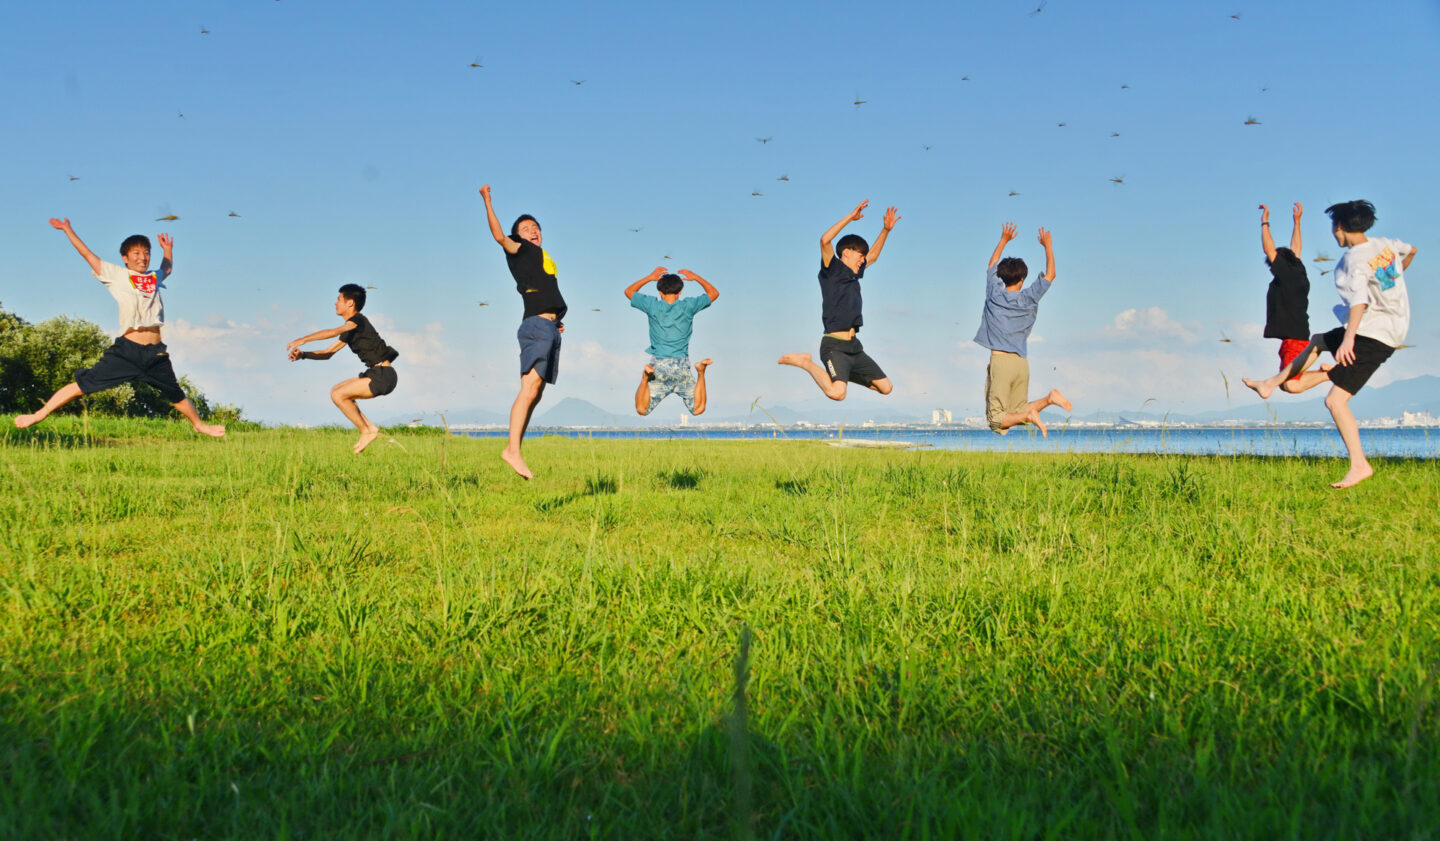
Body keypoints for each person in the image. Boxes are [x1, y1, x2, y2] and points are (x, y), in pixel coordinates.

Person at [1243, 200, 1416, 488]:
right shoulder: (1384, 245)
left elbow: (1358, 302)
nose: (1333, 233)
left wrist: (1348, 339)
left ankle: (1359, 465)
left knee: (1335, 401)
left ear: (1340, 227)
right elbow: (1411, 251)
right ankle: (1270, 383)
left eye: (1333, 227)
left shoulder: (1352, 261)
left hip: (1375, 333)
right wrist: (1389, 287)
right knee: (1318, 341)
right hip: (1385, 324)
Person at [14, 218, 225, 437]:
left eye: (146, 253)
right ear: (125, 258)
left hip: (155, 354)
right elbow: (87, 255)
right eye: (136, 253)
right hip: (127, 352)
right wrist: (68, 229)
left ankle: (199, 425)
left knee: (176, 394)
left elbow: (167, 268)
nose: (142, 257)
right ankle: (38, 414)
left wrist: (167, 250)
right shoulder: (116, 275)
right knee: (84, 385)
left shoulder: (153, 277)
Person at [479, 183, 566, 479]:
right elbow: (499, 236)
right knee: (529, 388)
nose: (532, 231)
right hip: (537, 326)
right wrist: (487, 200)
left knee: (535, 392)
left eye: (535, 227)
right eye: (526, 228)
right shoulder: (520, 249)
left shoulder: (543, 258)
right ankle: (512, 450)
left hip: (549, 327)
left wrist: (555, 319)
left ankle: (515, 448)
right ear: (519, 236)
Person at [778, 199, 899, 400]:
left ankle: (841, 374)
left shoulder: (854, 275)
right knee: (837, 393)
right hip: (834, 346)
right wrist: (851, 217)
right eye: (860, 255)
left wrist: (886, 230)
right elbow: (825, 240)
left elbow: (874, 257)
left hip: (854, 347)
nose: (863, 260)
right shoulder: (831, 269)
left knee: (886, 387)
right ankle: (806, 363)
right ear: (846, 252)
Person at [972, 223, 1072, 437]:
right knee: (1016, 413)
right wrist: (1048, 245)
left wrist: (1004, 239)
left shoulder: (994, 294)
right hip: (1021, 363)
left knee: (996, 420)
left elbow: (991, 264)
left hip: (1001, 362)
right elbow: (1051, 275)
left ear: (1001, 277)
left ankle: (1031, 415)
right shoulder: (1029, 298)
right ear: (1023, 279)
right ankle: (1049, 399)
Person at [286, 284, 399, 455]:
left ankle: (366, 431)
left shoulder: (358, 321)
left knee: (339, 395)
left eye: (339, 299)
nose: (335, 303)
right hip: (377, 373)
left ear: (350, 303)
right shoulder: (351, 329)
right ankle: (370, 428)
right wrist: (303, 355)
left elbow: (334, 331)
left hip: (383, 376)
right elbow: (328, 353)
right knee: (337, 390)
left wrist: (303, 339)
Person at [624, 267, 718, 416]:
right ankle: (701, 371)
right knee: (698, 409)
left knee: (642, 409)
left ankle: (645, 378)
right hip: (681, 366)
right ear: (680, 292)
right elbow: (713, 293)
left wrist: (650, 277)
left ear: (660, 292)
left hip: (658, 366)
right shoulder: (688, 306)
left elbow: (629, 291)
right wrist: (696, 277)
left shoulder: (652, 305)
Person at [1254, 202, 1324, 391]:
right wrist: (1297, 222)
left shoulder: (1285, 273)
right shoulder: (1299, 270)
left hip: (1295, 340)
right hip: (1295, 338)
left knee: (1291, 385)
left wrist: (1265, 222)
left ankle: (1330, 373)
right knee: (1284, 385)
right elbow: (1296, 249)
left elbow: (1269, 249)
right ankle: (1325, 372)